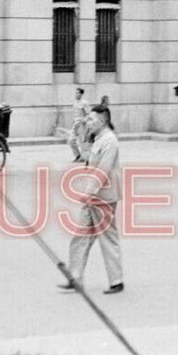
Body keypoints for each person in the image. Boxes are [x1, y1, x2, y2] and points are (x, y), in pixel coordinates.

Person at [59, 103, 123, 295]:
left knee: (107, 238)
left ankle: (116, 280)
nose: (89, 122)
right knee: (80, 236)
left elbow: (103, 170)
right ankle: (75, 277)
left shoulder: (110, 141)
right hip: (93, 197)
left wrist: (89, 192)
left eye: (92, 119)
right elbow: (89, 161)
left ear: (103, 121)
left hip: (103, 198)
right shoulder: (99, 139)